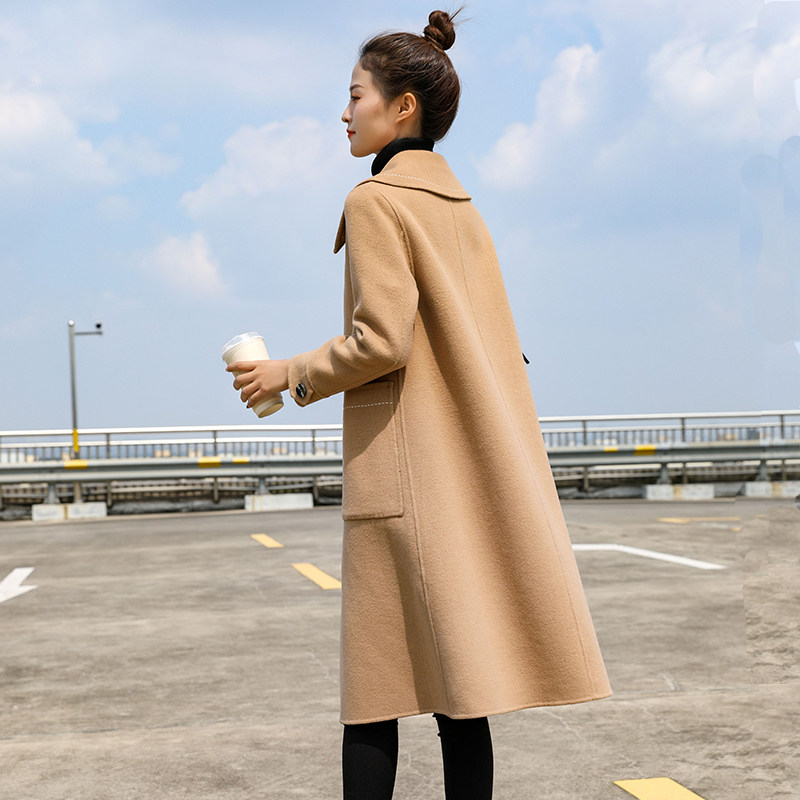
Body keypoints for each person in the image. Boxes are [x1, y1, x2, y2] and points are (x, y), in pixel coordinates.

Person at [226, 10, 611, 799]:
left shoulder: (376, 201)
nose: (344, 112)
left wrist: (289, 374)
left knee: (374, 696)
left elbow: (381, 340)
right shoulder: (462, 208)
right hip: (463, 469)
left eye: (355, 95)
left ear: (402, 107)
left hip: (401, 477)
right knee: (460, 694)